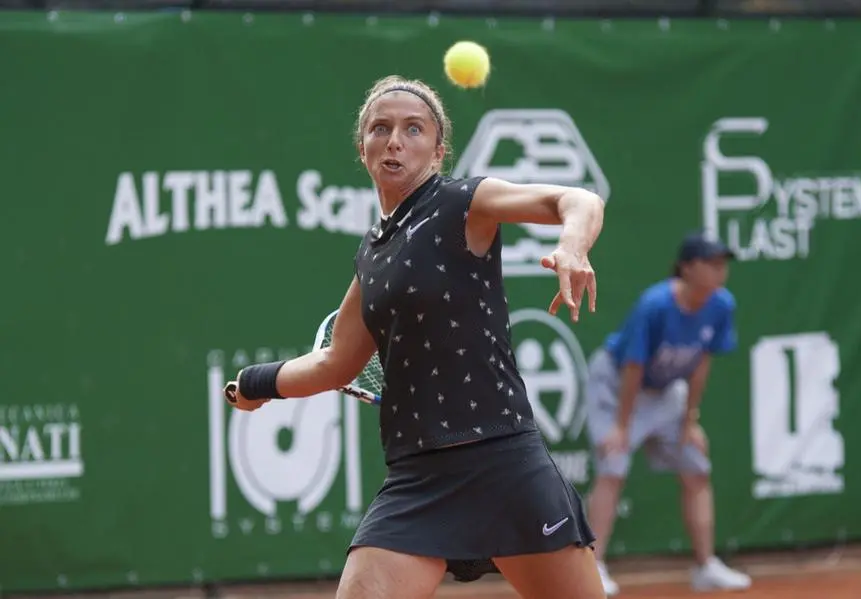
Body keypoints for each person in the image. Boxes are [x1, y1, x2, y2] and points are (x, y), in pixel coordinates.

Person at [225, 75, 608, 599]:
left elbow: (577, 199)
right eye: (380, 129)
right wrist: (255, 383)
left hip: (503, 463)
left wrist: (572, 246)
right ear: (363, 148)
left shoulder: (463, 202)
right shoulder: (371, 254)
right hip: (418, 477)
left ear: (437, 149)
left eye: (413, 129)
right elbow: (336, 362)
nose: (394, 140)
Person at [584, 233, 752, 596]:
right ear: (687, 268)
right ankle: (593, 567)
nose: (720, 271)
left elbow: (700, 365)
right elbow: (633, 366)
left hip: (666, 393)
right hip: (617, 387)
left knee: (697, 468)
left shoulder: (722, 305)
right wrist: (621, 427)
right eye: (712, 263)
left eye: (723, 264)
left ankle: (705, 566)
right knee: (613, 467)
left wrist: (690, 422)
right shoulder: (655, 304)